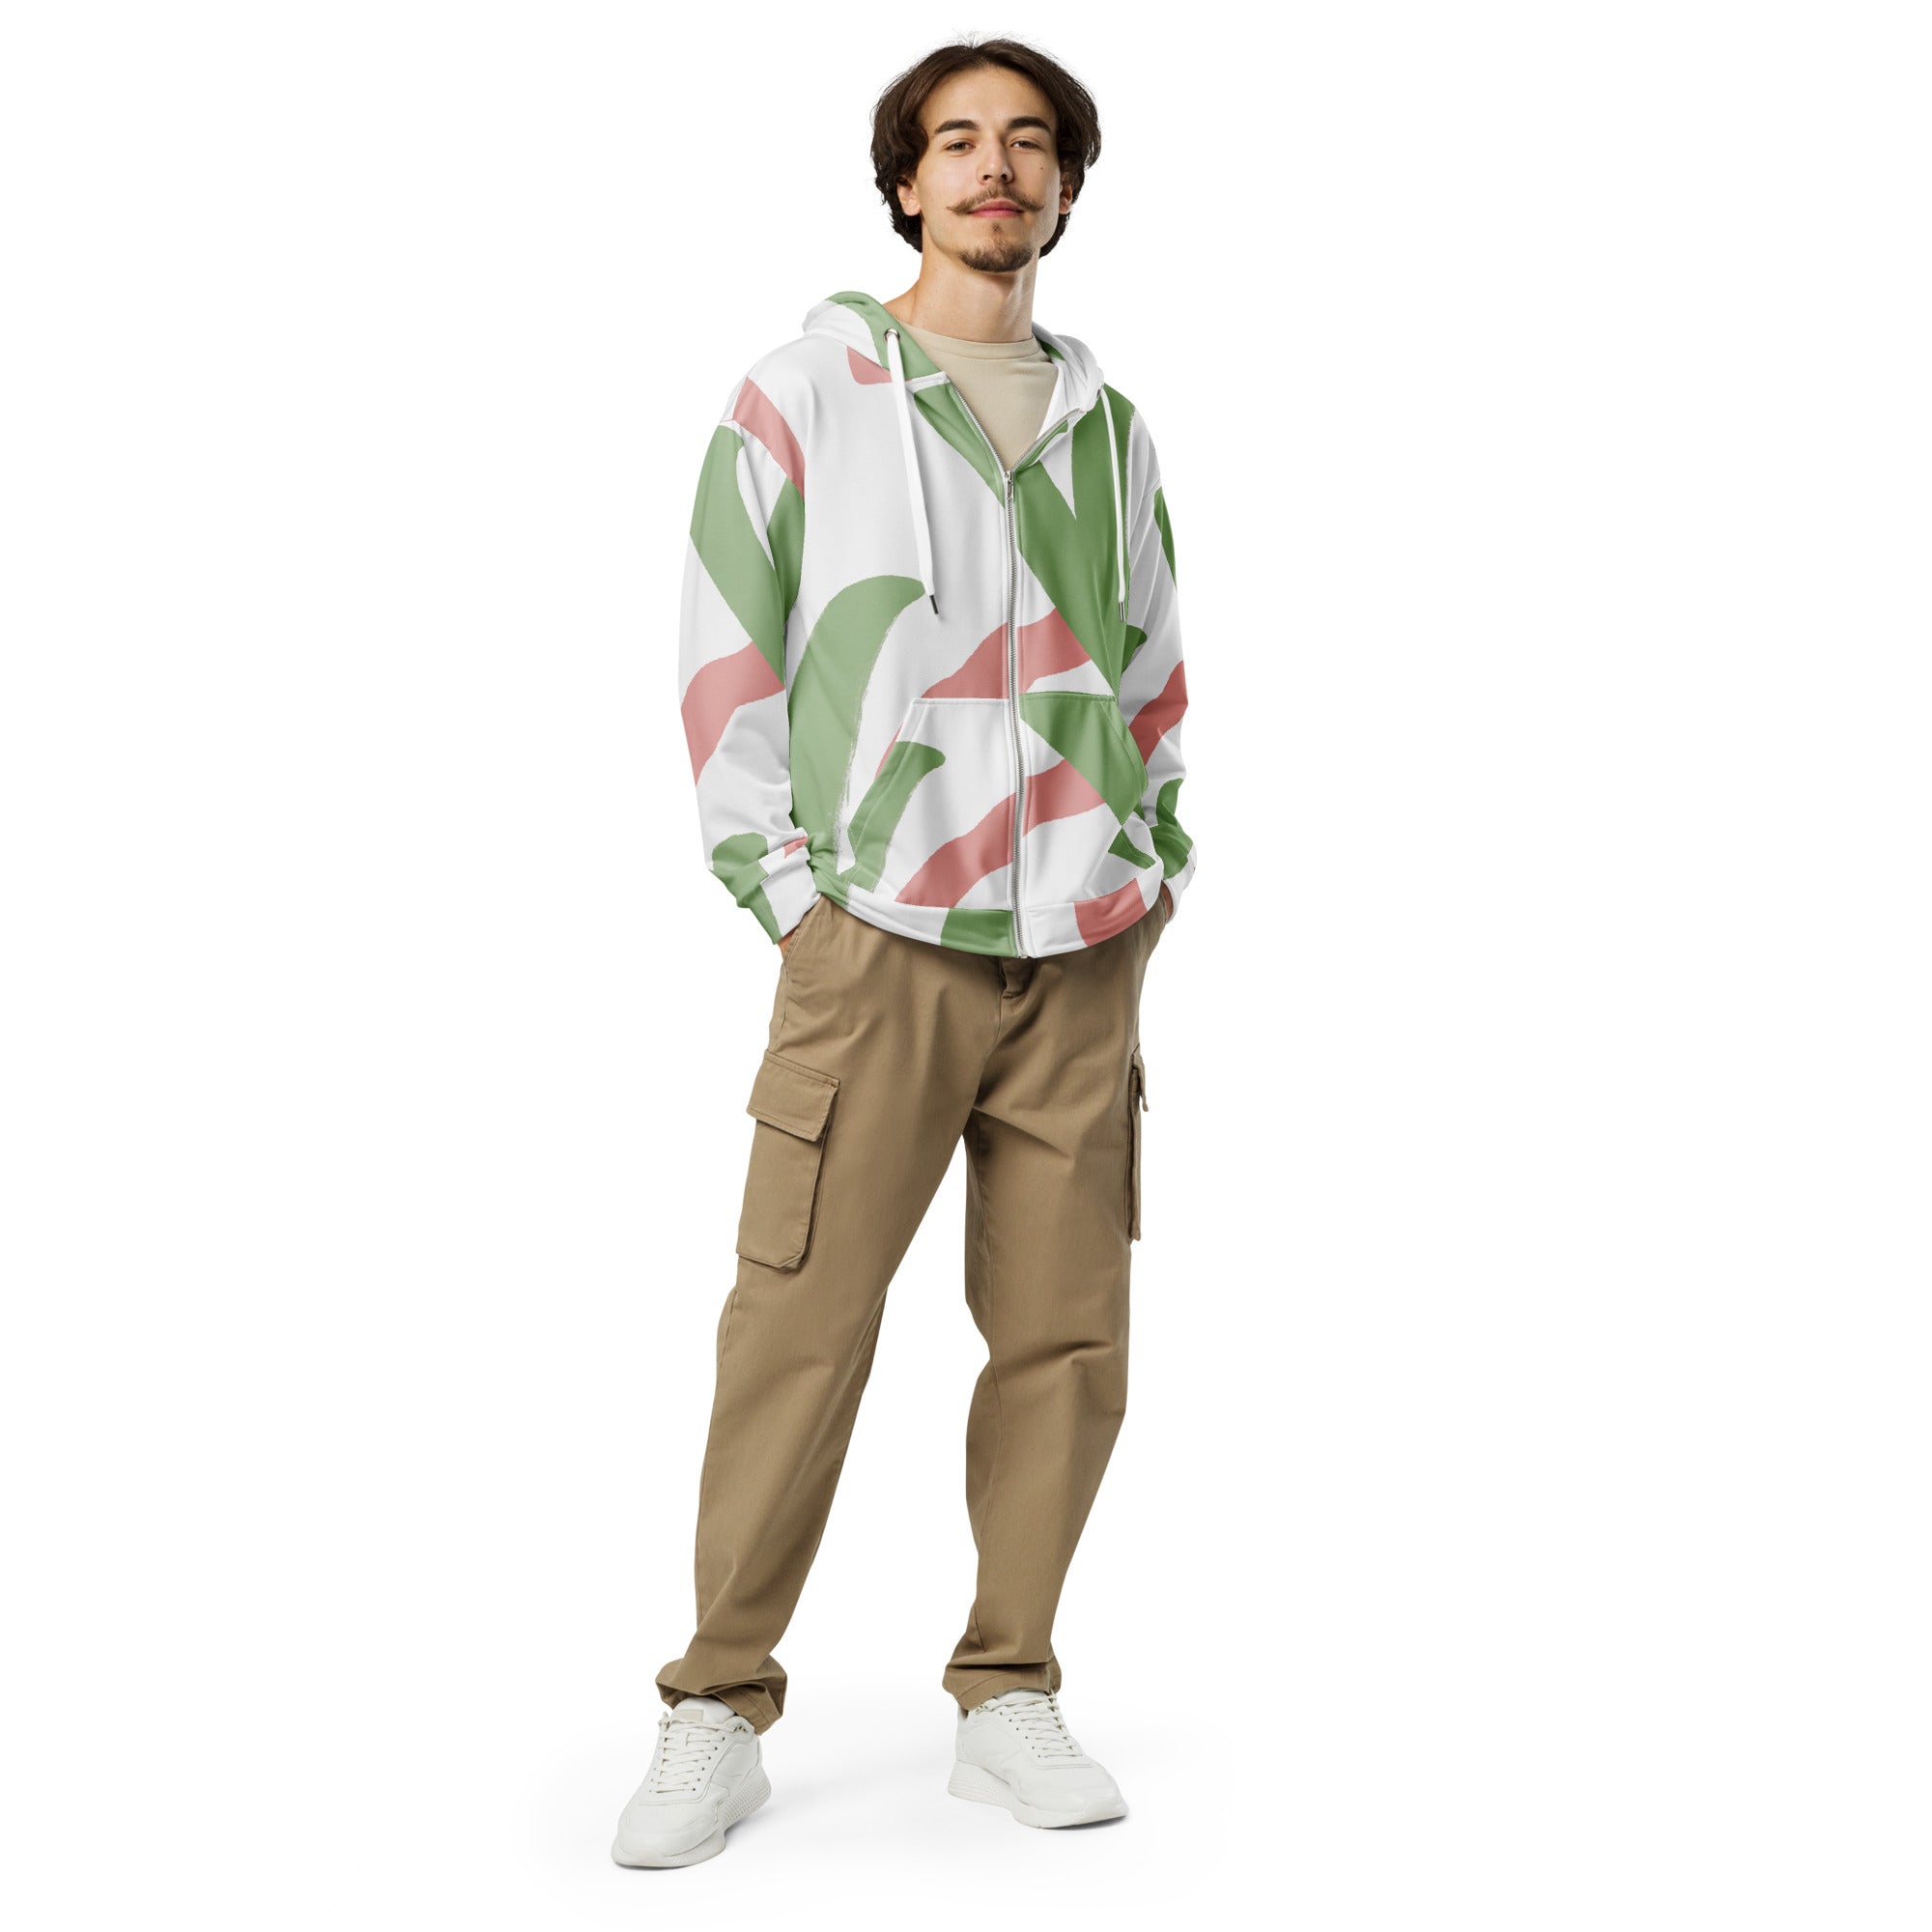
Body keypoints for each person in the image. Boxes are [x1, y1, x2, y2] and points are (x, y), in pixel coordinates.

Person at [613, 34, 1199, 1868]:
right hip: (875, 943)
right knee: (799, 1325)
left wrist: (1152, 867)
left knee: (1066, 1336)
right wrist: (793, 897)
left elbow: (1154, 670)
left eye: (1028, 143)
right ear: (905, 184)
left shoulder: (1112, 427)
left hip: (1082, 952)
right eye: (957, 143)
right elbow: (726, 650)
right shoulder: (807, 390)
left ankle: (1007, 1685)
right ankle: (716, 1704)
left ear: (1066, 187)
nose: (993, 169)